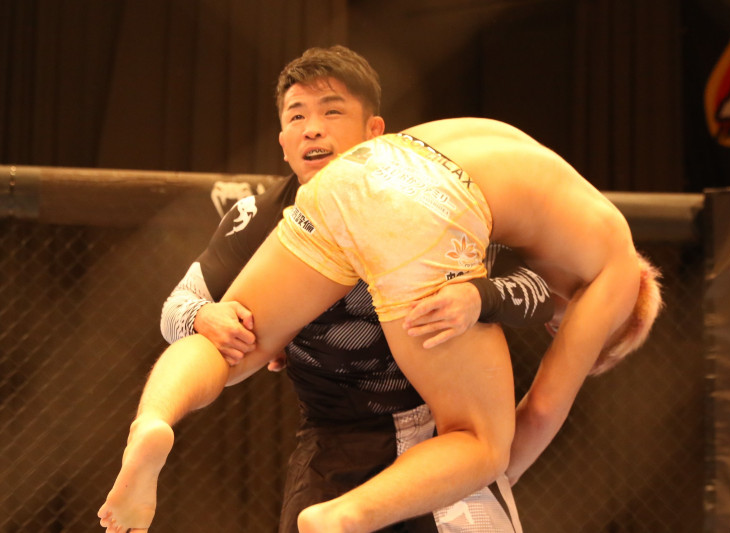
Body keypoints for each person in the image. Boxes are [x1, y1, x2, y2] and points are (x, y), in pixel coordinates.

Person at [98, 116, 662, 533]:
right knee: (485, 442)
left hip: (361, 172)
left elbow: (504, 275)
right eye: (566, 330)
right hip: (435, 201)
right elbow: (540, 412)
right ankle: (343, 518)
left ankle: (153, 422)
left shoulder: (545, 175)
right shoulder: (619, 267)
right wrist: (470, 475)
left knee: (232, 342)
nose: (555, 327)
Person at [159, 46, 552, 532]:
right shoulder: (257, 218)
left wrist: (481, 298)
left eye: (332, 112)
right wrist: (203, 316)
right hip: (334, 443)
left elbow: (541, 288)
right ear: (283, 142)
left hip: (445, 437)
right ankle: (151, 427)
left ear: (374, 132)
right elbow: (175, 307)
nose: (312, 128)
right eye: (296, 116)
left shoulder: (438, 197)